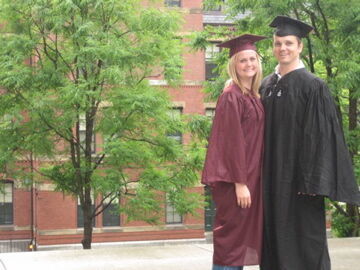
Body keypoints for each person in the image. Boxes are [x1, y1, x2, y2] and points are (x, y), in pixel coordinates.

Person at [260, 15, 360, 270]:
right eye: (278, 43)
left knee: (304, 242)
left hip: (301, 184)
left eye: (289, 43)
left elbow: (322, 137)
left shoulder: (313, 86)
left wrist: (314, 181)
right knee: (273, 240)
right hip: (270, 180)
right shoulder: (267, 85)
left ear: (300, 46)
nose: (283, 48)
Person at [202, 34, 266, 270]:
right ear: (234, 65)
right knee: (230, 243)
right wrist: (240, 182)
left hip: (251, 180)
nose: (249, 64)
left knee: (239, 243)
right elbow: (231, 142)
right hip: (237, 183)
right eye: (243, 60)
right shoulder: (231, 97)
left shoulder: (253, 96)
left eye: (253, 59)